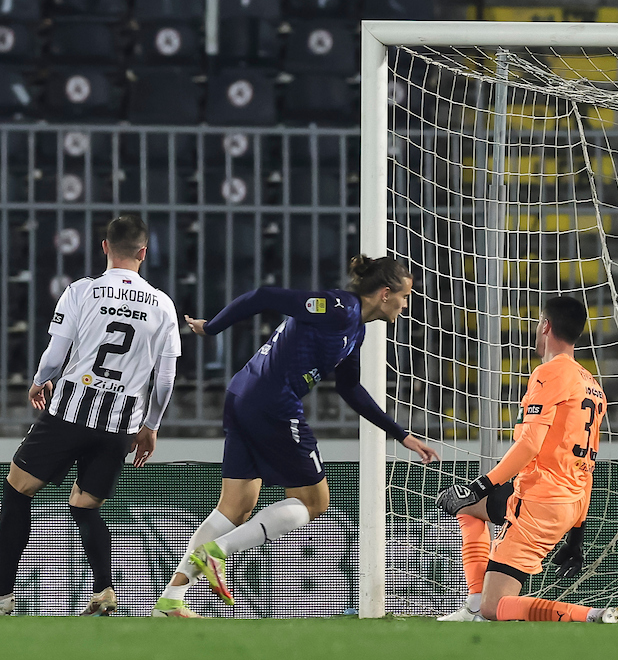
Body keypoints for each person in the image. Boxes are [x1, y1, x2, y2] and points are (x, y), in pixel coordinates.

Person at [151, 255, 439, 618]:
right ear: (385, 293)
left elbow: (350, 388)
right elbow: (264, 295)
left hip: (244, 394)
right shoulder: (338, 307)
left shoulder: (356, 330)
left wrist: (400, 434)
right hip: (272, 402)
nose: (405, 304)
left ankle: (171, 600)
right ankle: (216, 553)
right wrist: (212, 328)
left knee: (236, 506)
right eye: (405, 296)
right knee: (314, 501)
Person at [0, 215, 180, 617]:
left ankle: (2, 591)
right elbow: (166, 378)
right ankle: (104, 591)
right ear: (143, 252)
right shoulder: (163, 305)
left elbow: (55, 353)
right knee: (85, 505)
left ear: (104, 247)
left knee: (18, 487)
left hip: (71, 411)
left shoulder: (82, 290)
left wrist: (38, 382)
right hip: (121, 423)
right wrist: (151, 425)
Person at [436, 296, 618, 624]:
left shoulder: (549, 373)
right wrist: (576, 536)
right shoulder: (593, 386)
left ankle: (594, 615)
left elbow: (528, 444)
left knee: (495, 608)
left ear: (545, 326)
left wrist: (481, 485)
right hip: (568, 501)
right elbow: (587, 464)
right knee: (466, 507)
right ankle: (472, 605)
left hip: (539, 500)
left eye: (539, 322)